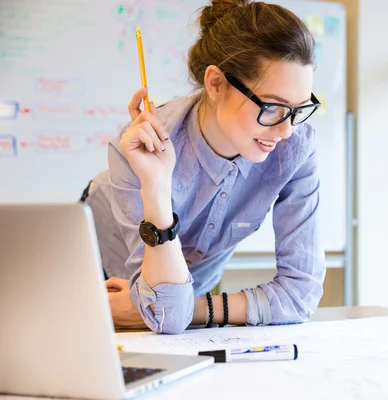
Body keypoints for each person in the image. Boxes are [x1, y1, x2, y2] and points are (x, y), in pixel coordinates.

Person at [83, 0, 325, 334]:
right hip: (99, 284)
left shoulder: (295, 149)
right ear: (215, 83)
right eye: (272, 107)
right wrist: (156, 186)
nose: (286, 130)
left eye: (299, 109)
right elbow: (165, 312)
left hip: (181, 299)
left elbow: (301, 295)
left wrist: (188, 309)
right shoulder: (139, 147)